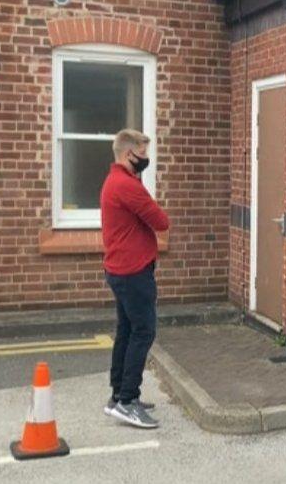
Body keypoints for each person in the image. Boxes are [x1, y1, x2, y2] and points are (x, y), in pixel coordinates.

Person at [101, 129, 169, 428]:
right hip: (133, 272)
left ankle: (118, 396)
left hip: (120, 269)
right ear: (129, 154)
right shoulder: (127, 186)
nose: (146, 159)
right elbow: (161, 221)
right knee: (143, 332)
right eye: (143, 153)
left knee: (127, 332)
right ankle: (127, 401)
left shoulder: (114, 181)